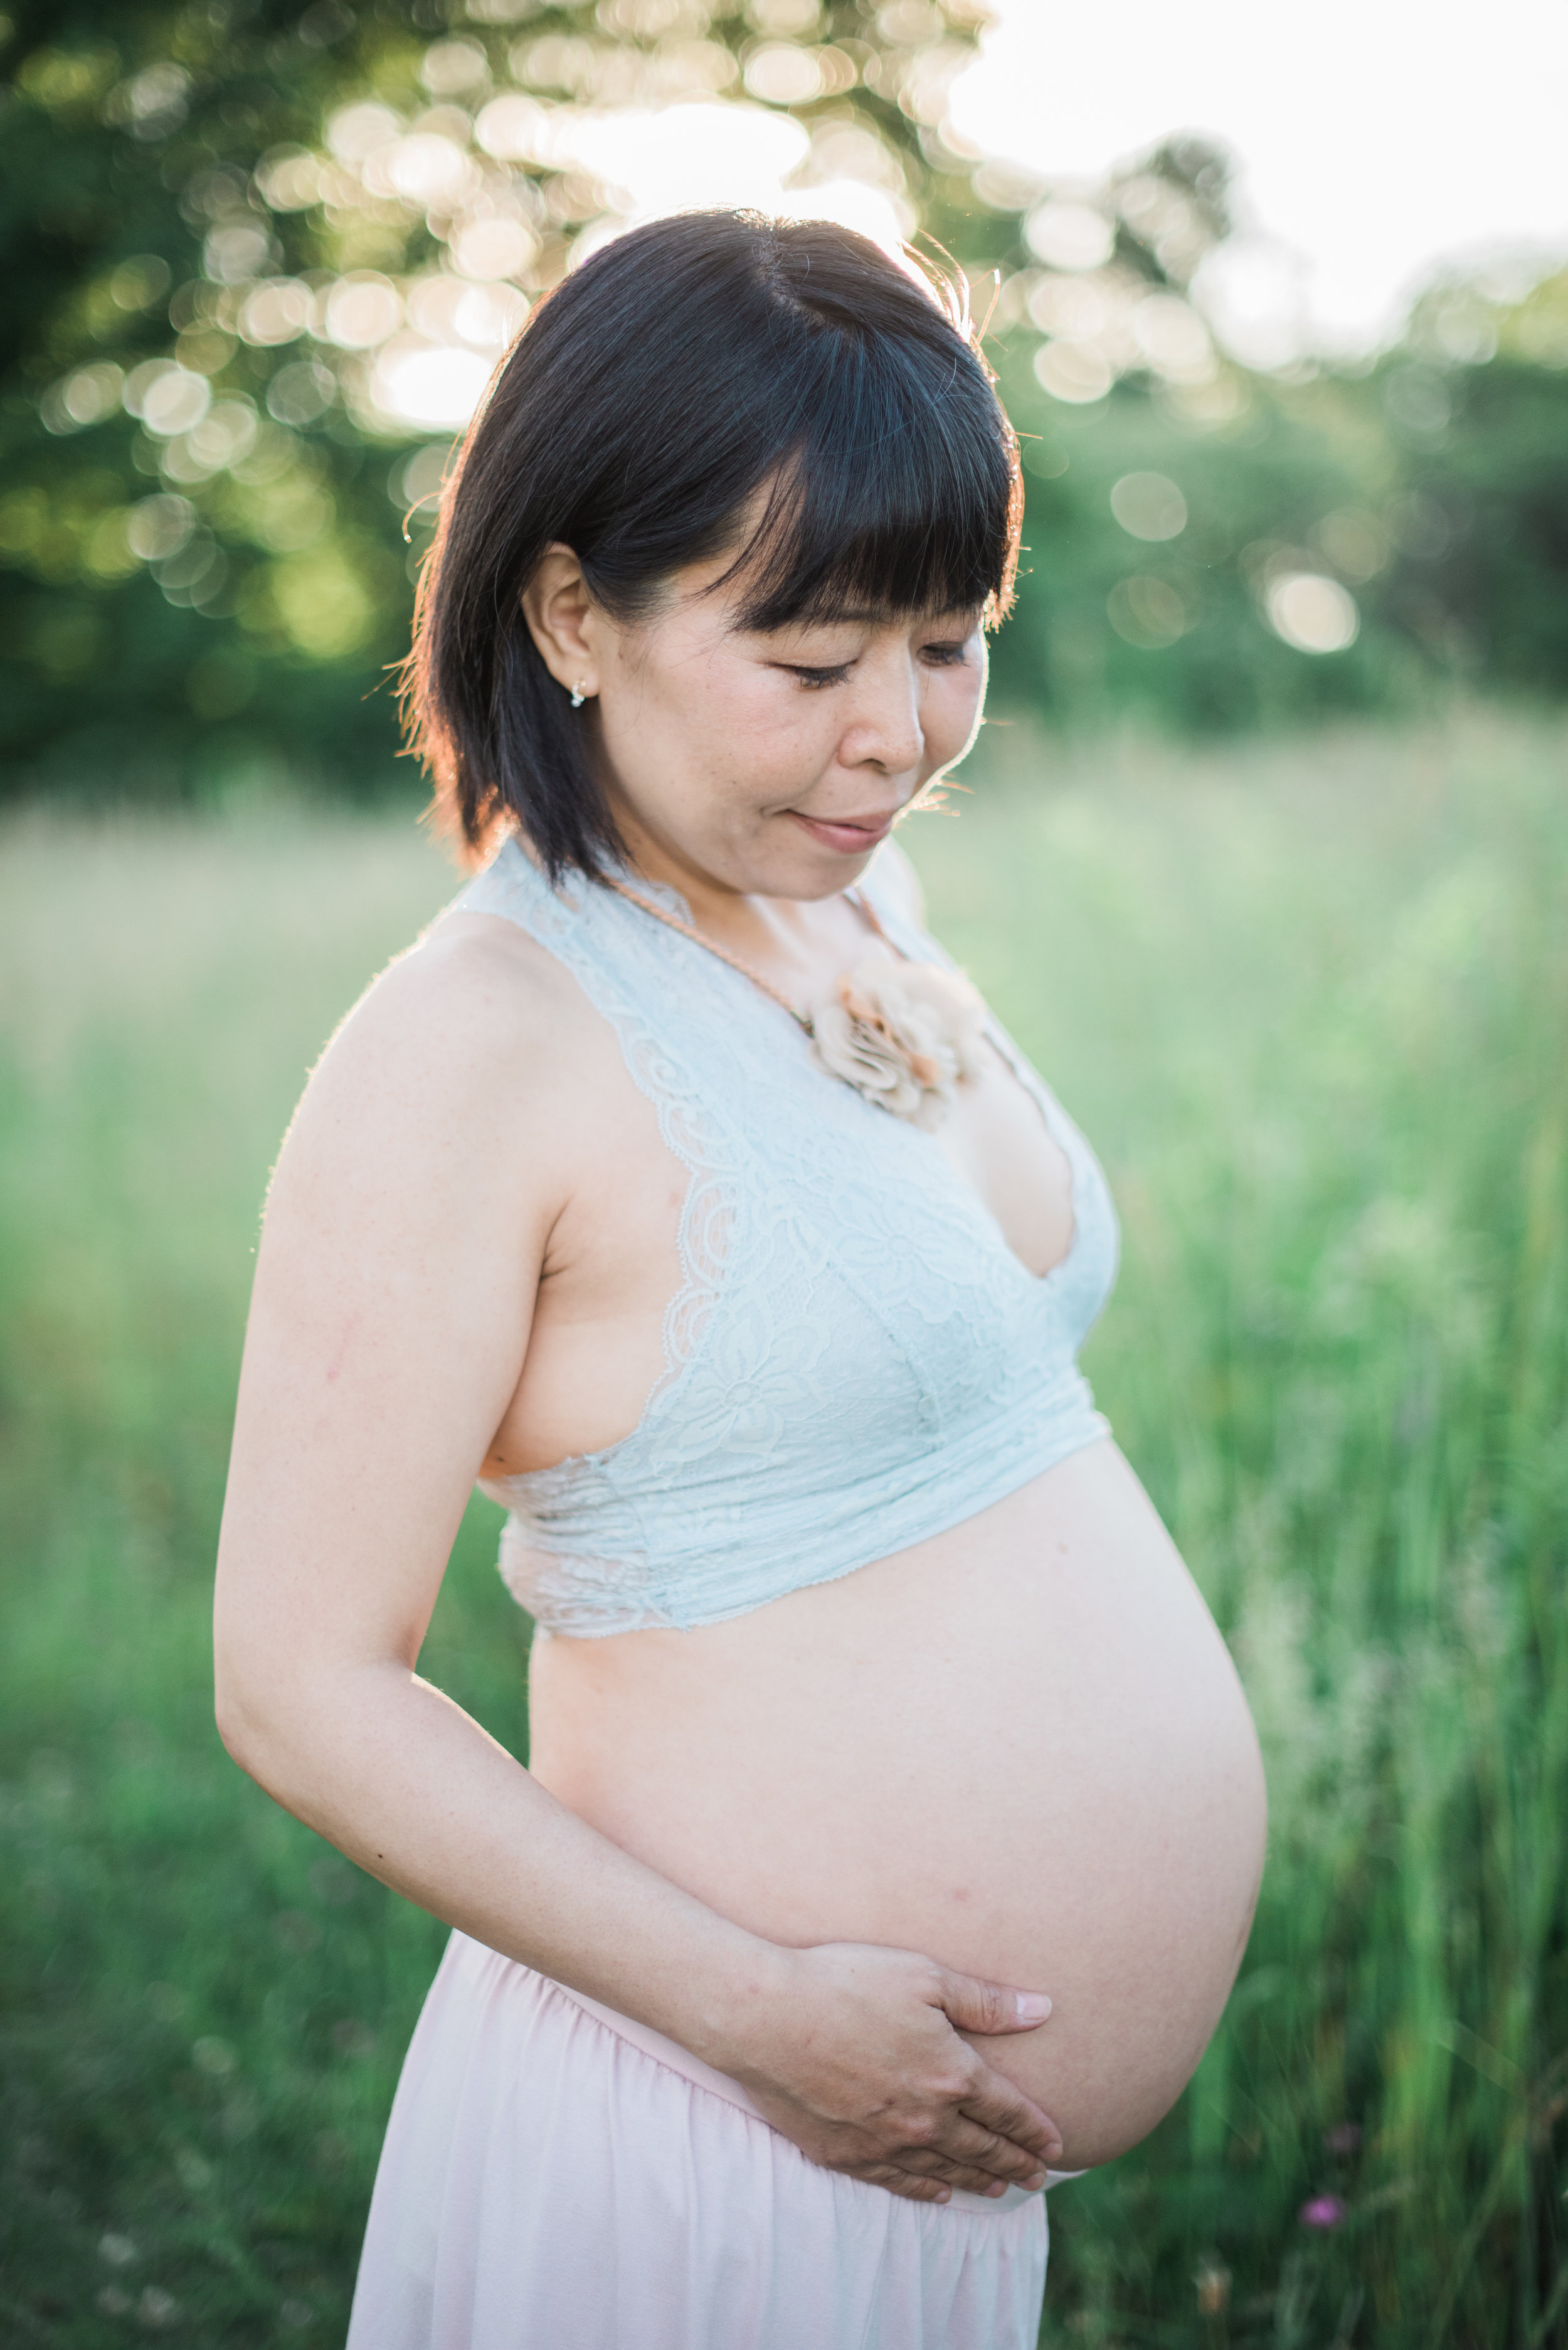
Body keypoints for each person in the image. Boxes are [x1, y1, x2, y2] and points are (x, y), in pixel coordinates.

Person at [213, 209, 1266, 2350]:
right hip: (709, 2143)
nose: (898, 737)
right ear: (573, 611)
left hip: (906, 2167)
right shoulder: (476, 1046)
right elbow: (298, 1680)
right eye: (808, 662)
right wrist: (764, 2017)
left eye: (951, 640)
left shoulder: (844, 904)